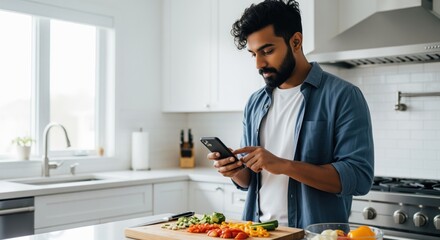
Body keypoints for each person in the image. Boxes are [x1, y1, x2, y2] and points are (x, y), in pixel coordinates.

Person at [208, 0, 374, 229]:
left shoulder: (344, 96)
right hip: (259, 233)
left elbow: (358, 177)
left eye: (267, 51)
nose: (259, 63)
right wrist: (234, 171)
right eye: (253, 54)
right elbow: (250, 181)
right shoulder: (255, 103)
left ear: (296, 41)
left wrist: (283, 165)